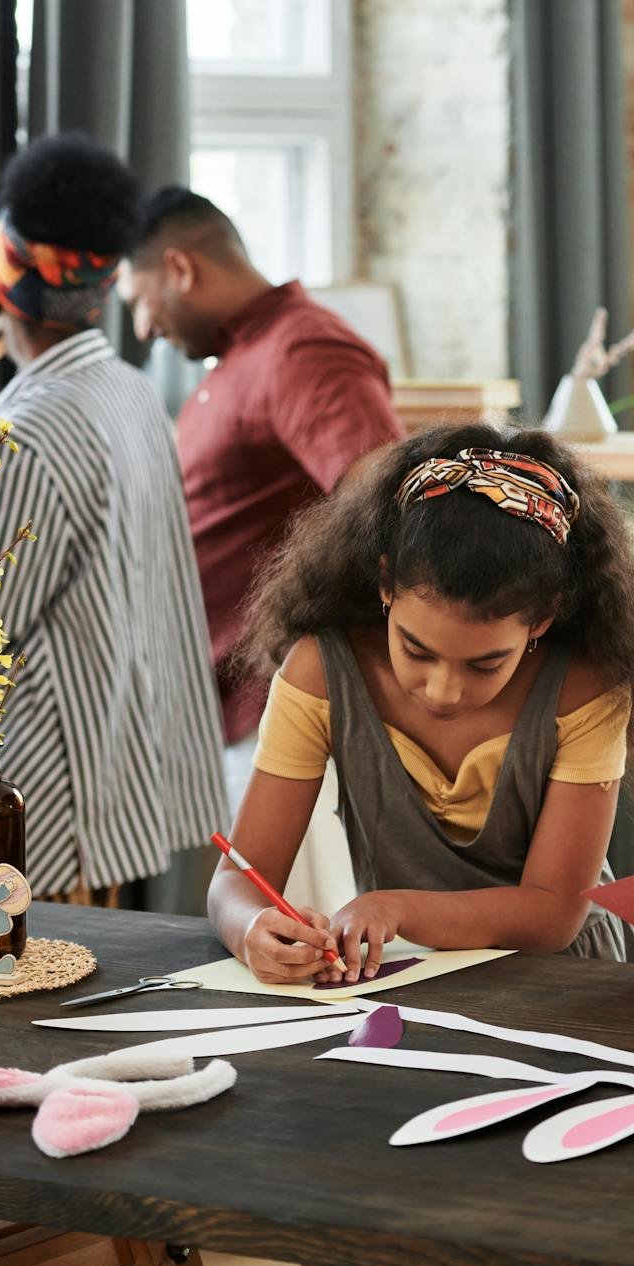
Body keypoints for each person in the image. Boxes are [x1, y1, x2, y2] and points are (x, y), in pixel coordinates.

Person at [208, 425, 634, 984]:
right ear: (385, 583)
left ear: (543, 618)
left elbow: (553, 915)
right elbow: (238, 878)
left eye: (485, 665)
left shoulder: (585, 689)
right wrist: (251, 928)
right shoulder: (320, 672)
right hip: (411, 976)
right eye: (415, 650)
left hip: (568, 983)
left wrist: (395, 909)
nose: (443, 690)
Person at [0, 136, 226, 899]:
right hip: (121, 779)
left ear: (6, 283)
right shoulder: (130, 394)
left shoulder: (26, 434)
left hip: (47, 802)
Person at [119, 190, 405, 827]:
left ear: (181, 269)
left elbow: (390, 512)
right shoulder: (244, 359)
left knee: (294, 921)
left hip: (276, 706)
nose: (142, 329)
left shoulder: (304, 351)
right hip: (222, 706)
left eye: (140, 302)